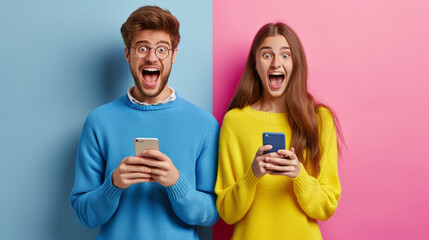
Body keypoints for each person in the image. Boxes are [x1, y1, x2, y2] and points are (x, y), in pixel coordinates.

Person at [70, 6, 219, 240]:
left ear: (174, 55)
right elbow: (84, 215)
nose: (151, 57)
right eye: (142, 48)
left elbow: (211, 214)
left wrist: (176, 183)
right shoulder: (98, 122)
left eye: (162, 49)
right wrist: (114, 184)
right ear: (128, 54)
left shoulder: (204, 124)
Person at [215, 22, 342, 239]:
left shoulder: (319, 119)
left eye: (285, 55)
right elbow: (227, 212)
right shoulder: (235, 121)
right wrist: (252, 175)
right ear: (255, 63)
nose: (276, 63)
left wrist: (298, 175)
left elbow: (326, 206)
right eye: (266, 55)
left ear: (296, 63)